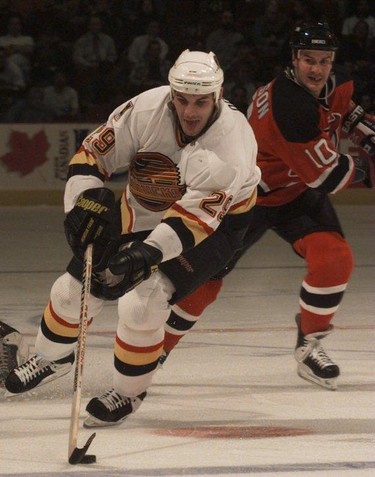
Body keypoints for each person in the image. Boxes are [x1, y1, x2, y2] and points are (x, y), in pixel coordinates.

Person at [5, 50, 260, 428]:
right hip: (142, 205)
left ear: (218, 96)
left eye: (201, 102)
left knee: (144, 299)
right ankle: (51, 357)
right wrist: (80, 205)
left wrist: (146, 254)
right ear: (171, 92)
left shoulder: (232, 147)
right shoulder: (144, 109)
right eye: (182, 99)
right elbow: (92, 156)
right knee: (70, 290)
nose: (190, 111)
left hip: (214, 227)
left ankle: (128, 393)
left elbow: (193, 220)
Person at [159, 22, 375, 391]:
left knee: (334, 259)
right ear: (294, 60)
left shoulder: (329, 87)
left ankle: (309, 343)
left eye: (324, 61)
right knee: (203, 284)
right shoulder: (289, 106)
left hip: (292, 191)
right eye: (309, 59)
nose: (317, 69)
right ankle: (151, 352)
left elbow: (349, 115)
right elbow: (327, 178)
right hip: (247, 198)